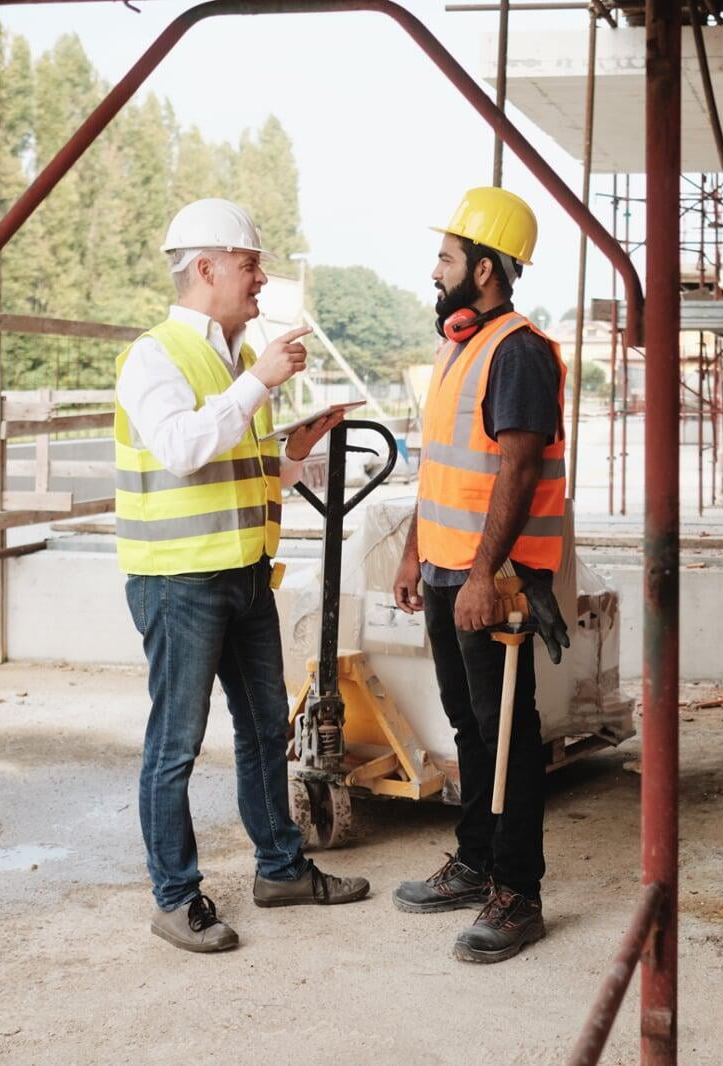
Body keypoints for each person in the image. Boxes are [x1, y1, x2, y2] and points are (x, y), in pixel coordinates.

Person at [115, 197, 369, 954]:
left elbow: (247, 473)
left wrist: (297, 452)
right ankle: (175, 897)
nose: (260, 279)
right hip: (180, 583)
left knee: (265, 729)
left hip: (245, 574)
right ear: (205, 268)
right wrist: (259, 382)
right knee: (176, 745)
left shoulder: (232, 362)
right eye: (250, 264)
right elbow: (183, 448)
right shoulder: (154, 356)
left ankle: (281, 869)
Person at [390, 187, 572, 964]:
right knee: (469, 724)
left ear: (487, 270)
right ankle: (474, 860)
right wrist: (413, 552)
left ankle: (517, 893)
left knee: (508, 736)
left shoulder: (519, 351)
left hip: (488, 578)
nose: (436, 271)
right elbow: (442, 469)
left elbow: (517, 471)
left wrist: (482, 574)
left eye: (448, 258)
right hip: (444, 567)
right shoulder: (460, 345)